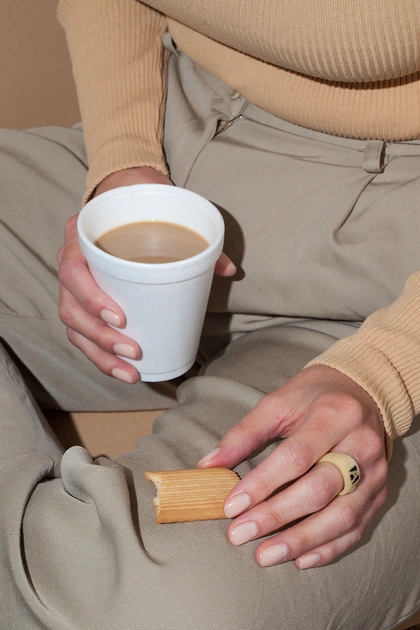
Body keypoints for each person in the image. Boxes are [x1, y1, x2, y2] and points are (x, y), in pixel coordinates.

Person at [1, 0, 420, 628]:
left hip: (391, 290)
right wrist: (122, 165)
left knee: (146, 609)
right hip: (173, 148)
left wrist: (387, 371)